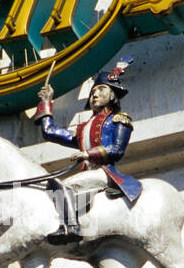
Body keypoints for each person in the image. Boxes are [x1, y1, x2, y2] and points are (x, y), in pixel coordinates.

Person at [34, 59, 143, 243]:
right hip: (89, 174)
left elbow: (117, 150)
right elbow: (50, 132)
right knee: (52, 189)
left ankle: (71, 227)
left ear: (112, 95)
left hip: (105, 173)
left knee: (62, 187)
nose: (95, 94)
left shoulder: (118, 120)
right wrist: (46, 102)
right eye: (93, 91)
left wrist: (87, 154)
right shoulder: (83, 128)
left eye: (101, 90)